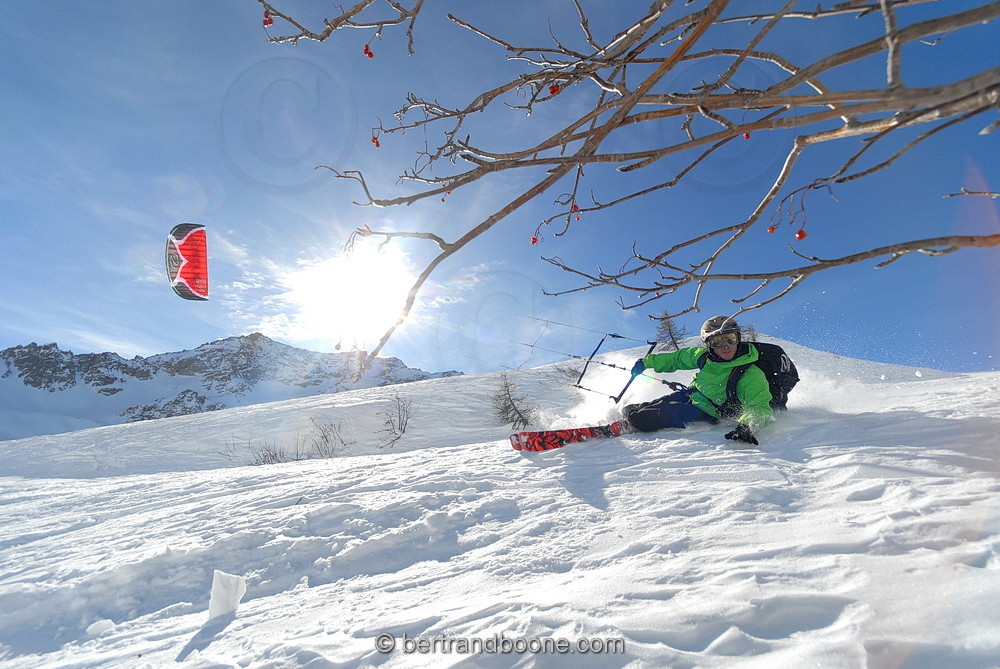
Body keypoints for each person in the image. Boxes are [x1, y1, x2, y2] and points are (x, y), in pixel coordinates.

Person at [622, 316, 772, 445]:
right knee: (632, 408)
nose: (726, 347)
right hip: (691, 395)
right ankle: (629, 417)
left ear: (738, 339)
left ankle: (628, 425)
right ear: (708, 344)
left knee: (646, 417)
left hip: (709, 411)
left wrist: (747, 426)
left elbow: (759, 407)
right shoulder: (703, 356)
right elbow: (676, 359)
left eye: (730, 339)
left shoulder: (750, 374)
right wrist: (647, 362)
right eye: (717, 342)